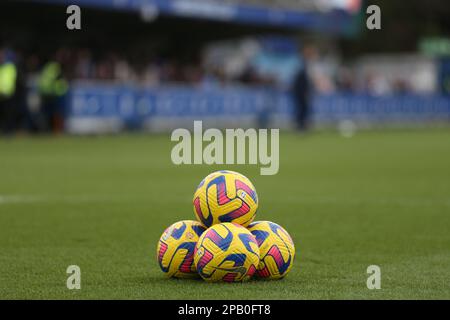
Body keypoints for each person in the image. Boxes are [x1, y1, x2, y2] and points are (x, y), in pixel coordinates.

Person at [291, 46, 313, 132]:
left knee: (303, 108)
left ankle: (302, 125)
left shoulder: (304, 63)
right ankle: (300, 126)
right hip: (300, 91)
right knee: (301, 108)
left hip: (302, 90)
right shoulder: (300, 62)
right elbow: (300, 80)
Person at [0, 47, 18, 134]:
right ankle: (5, 131)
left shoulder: (9, 66)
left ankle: (9, 132)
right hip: (2, 95)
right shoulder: (3, 67)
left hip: (8, 94)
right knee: (3, 115)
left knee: (8, 115)